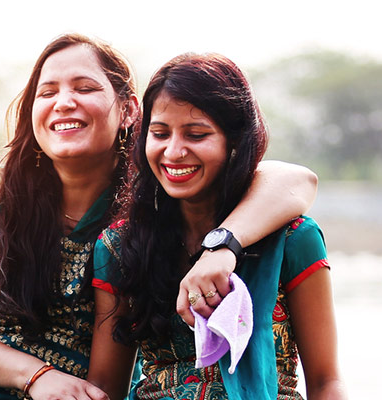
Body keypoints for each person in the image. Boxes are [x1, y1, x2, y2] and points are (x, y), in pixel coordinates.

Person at [0, 34, 319, 400]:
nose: (63, 102)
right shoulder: (0, 191)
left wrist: (223, 246)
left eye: (85, 87)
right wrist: (36, 376)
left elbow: (295, 180)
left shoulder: (152, 200)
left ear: (128, 111)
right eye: (47, 92)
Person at [88, 53, 347, 400]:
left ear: (235, 142)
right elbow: (106, 386)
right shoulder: (121, 246)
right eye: (160, 133)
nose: (174, 151)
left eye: (196, 135)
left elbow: (326, 382)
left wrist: (222, 249)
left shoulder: (292, 239)